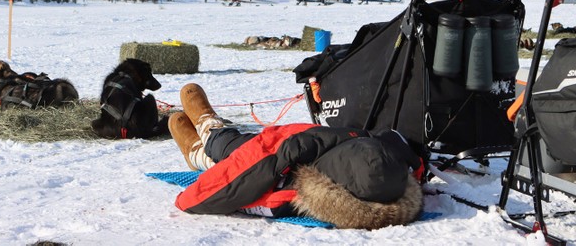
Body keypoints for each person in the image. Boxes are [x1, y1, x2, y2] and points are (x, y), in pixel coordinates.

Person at [168, 83, 425, 229]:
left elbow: (244, 174)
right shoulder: (395, 170)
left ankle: (208, 135)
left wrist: (190, 199)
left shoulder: (307, 193)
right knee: (246, 147)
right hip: (309, 138)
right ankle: (206, 143)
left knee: (234, 149)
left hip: (287, 147)